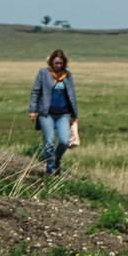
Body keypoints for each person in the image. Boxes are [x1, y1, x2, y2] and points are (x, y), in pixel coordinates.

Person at [28, 49, 78, 177]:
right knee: (49, 142)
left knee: (64, 141)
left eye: (61, 63)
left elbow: (71, 95)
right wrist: (32, 110)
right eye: (56, 63)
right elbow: (36, 92)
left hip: (62, 114)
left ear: (64, 63)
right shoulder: (44, 73)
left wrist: (74, 115)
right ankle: (50, 169)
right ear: (51, 62)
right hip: (46, 113)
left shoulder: (67, 75)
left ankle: (56, 159)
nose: (58, 66)